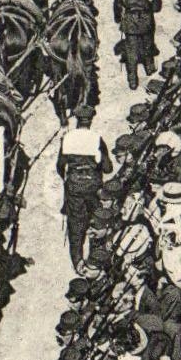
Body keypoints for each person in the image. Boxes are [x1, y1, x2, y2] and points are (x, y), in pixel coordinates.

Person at [56, 109, 113, 270]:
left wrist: (69, 180)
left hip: (74, 185)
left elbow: (60, 166)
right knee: (97, 219)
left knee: (75, 223)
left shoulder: (67, 138)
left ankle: (78, 262)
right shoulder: (97, 139)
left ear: (77, 120)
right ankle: (96, 257)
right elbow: (108, 168)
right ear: (90, 121)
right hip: (93, 186)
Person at [113, 0, 162, 89]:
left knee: (131, 51)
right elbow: (157, 7)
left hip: (130, 20)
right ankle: (150, 70)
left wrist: (118, 17)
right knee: (148, 46)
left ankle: (133, 81)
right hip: (146, 20)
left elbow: (117, 3)